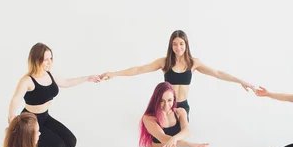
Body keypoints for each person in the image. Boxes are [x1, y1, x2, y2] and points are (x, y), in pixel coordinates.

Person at [99, 30, 256, 119]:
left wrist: (240, 81)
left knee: (182, 131)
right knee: (165, 132)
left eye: (181, 43)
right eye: (174, 44)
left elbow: (218, 73)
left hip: (182, 105)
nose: (178, 47)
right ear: (171, 46)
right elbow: (139, 69)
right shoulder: (164, 62)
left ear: (186, 44)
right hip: (166, 105)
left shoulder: (193, 63)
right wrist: (114, 73)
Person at [7, 42, 101, 147]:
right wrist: (11, 117)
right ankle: (25, 137)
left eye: (51, 58)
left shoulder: (50, 73)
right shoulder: (27, 80)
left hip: (45, 117)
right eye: (46, 59)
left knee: (71, 142)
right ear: (36, 59)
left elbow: (65, 82)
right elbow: (15, 99)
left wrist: (87, 78)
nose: (49, 62)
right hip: (31, 121)